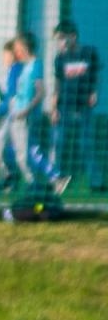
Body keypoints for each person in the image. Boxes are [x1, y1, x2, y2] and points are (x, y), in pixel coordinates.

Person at [11, 34, 65, 194]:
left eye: (18, 48)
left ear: (25, 47)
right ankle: (49, 179)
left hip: (25, 116)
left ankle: (41, 181)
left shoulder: (35, 65)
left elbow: (41, 92)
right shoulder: (25, 67)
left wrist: (26, 110)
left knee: (27, 153)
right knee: (25, 151)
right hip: (18, 114)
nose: (16, 52)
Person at [49, 21, 100, 192]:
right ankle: (58, 180)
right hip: (64, 107)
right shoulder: (60, 58)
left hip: (84, 107)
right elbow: (57, 84)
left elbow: (96, 76)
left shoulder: (89, 53)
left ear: (73, 36)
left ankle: (95, 182)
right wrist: (54, 108)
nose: (61, 43)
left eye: (63, 38)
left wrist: (94, 92)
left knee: (86, 143)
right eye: (58, 40)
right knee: (59, 142)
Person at [0, 41, 29, 192]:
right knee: (3, 144)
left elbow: (12, 96)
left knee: (7, 144)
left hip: (17, 114)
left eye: (5, 55)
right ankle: (11, 177)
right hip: (14, 113)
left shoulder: (16, 69)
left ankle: (24, 180)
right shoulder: (14, 70)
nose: (3, 58)